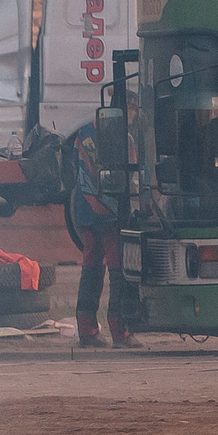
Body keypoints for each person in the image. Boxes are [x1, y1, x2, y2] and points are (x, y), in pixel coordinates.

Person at [69, 124, 138, 349]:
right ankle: (121, 333)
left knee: (91, 270)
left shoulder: (83, 133)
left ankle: (87, 331)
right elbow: (133, 178)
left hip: (85, 209)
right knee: (119, 272)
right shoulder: (123, 137)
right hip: (110, 212)